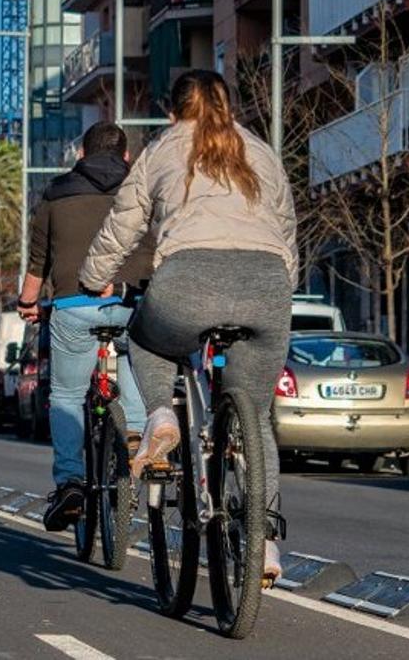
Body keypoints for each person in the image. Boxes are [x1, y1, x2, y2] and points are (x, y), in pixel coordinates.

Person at [79, 70, 300, 579]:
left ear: (173, 112)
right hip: (267, 286)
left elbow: (123, 225)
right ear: (229, 105)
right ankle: (264, 543)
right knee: (258, 420)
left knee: (148, 340)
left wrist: (94, 279)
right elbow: (286, 230)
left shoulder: (161, 149)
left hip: (188, 279)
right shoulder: (262, 151)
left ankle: (161, 416)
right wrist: (279, 286)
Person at [16, 121, 154, 532]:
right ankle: (134, 448)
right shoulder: (143, 188)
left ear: (81, 156)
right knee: (134, 371)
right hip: (133, 301)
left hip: (74, 306)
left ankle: (71, 483)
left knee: (66, 395)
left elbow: (38, 263)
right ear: (126, 156)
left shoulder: (56, 194)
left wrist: (27, 304)